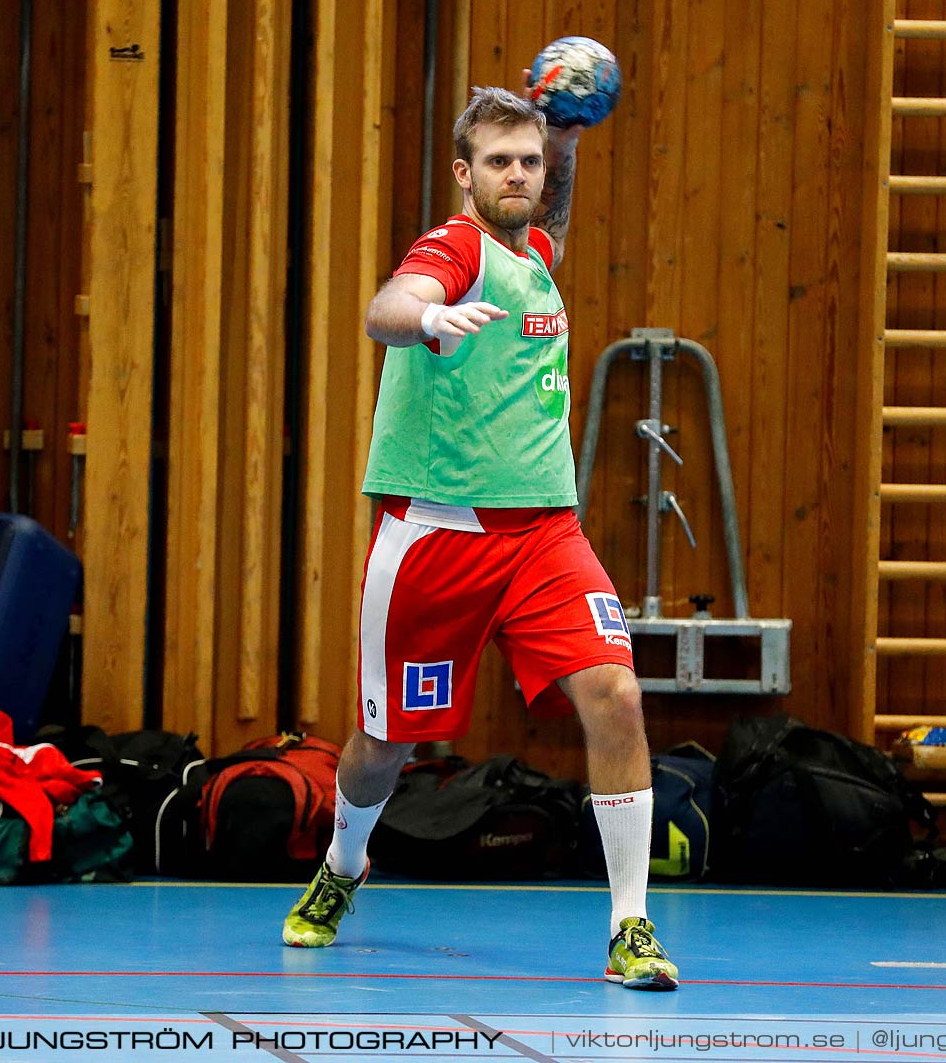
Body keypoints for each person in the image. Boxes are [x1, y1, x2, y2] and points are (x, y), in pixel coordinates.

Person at [280, 85, 678, 991]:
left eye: (528, 161)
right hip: (436, 538)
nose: (518, 175)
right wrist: (425, 319)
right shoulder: (454, 248)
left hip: (545, 533)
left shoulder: (535, 250)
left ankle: (631, 926)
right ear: (465, 175)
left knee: (615, 693)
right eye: (499, 161)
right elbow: (392, 301)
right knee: (385, 745)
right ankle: (344, 866)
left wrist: (567, 137)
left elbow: (556, 209)